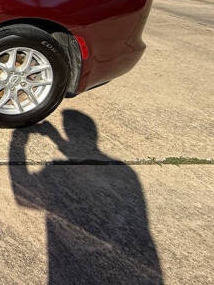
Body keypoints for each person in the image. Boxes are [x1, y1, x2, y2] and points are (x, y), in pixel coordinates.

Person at [9, 110, 163, 284]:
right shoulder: (124, 171)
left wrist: (18, 141)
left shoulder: (57, 172)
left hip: (70, 266)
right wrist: (57, 139)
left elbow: (21, 192)